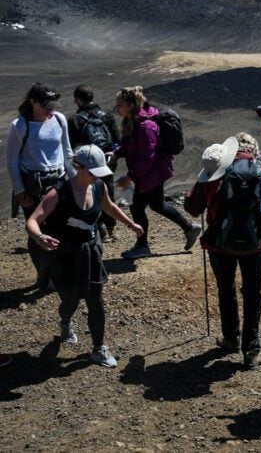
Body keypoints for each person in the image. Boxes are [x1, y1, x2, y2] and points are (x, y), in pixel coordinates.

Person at [26, 145, 144, 367]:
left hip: (90, 252)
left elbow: (108, 207)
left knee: (95, 299)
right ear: (79, 167)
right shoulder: (59, 192)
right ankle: (65, 319)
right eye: (92, 172)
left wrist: (130, 224)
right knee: (70, 300)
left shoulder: (98, 187)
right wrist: (40, 237)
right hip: (64, 258)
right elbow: (32, 220)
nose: (96, 177)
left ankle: (98, 348)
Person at [184, 134, 261, 368]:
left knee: (225, 288)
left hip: (218, 245)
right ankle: (251, 351)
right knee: (252, 293)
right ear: (254, 151)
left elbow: (192, 207)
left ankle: (230, 337)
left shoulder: (216, 170)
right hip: (254, 245)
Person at [113, 86, 199, 259]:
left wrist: (130, 177)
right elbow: (132, 146)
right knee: (156, 205)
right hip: (150, 173)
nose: (117, 108)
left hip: (152, 173)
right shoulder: (133, 120)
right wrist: (116, 153)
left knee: (137, 207)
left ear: (130, 105)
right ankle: (189, 228)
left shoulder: (146, 125)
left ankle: (142, 245)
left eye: (119, 104)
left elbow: (147, 158)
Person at [6, 83, 75, 288]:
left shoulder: (60, 120)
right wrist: (19, 190)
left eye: (52, 104)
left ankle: (58, 273)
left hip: (59, 181)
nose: (50, 109)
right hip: (33, 185)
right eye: (46, 105)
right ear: (32, 102)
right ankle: (44, 276)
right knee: (37, 232)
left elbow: (67, 153)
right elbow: (11, 160)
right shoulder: (20, 125)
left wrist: (77, 183)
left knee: (60, 227)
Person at [67, 84, 121, 242]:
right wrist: (113, 155)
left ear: (77, 100)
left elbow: (71, 146)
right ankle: (111, 229)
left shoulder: (75, 119)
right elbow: (117, 142)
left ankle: (98, 228)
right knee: (107, 194)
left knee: (88, 194)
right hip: (106, 163)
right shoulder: (106, 116)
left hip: (86, 166)